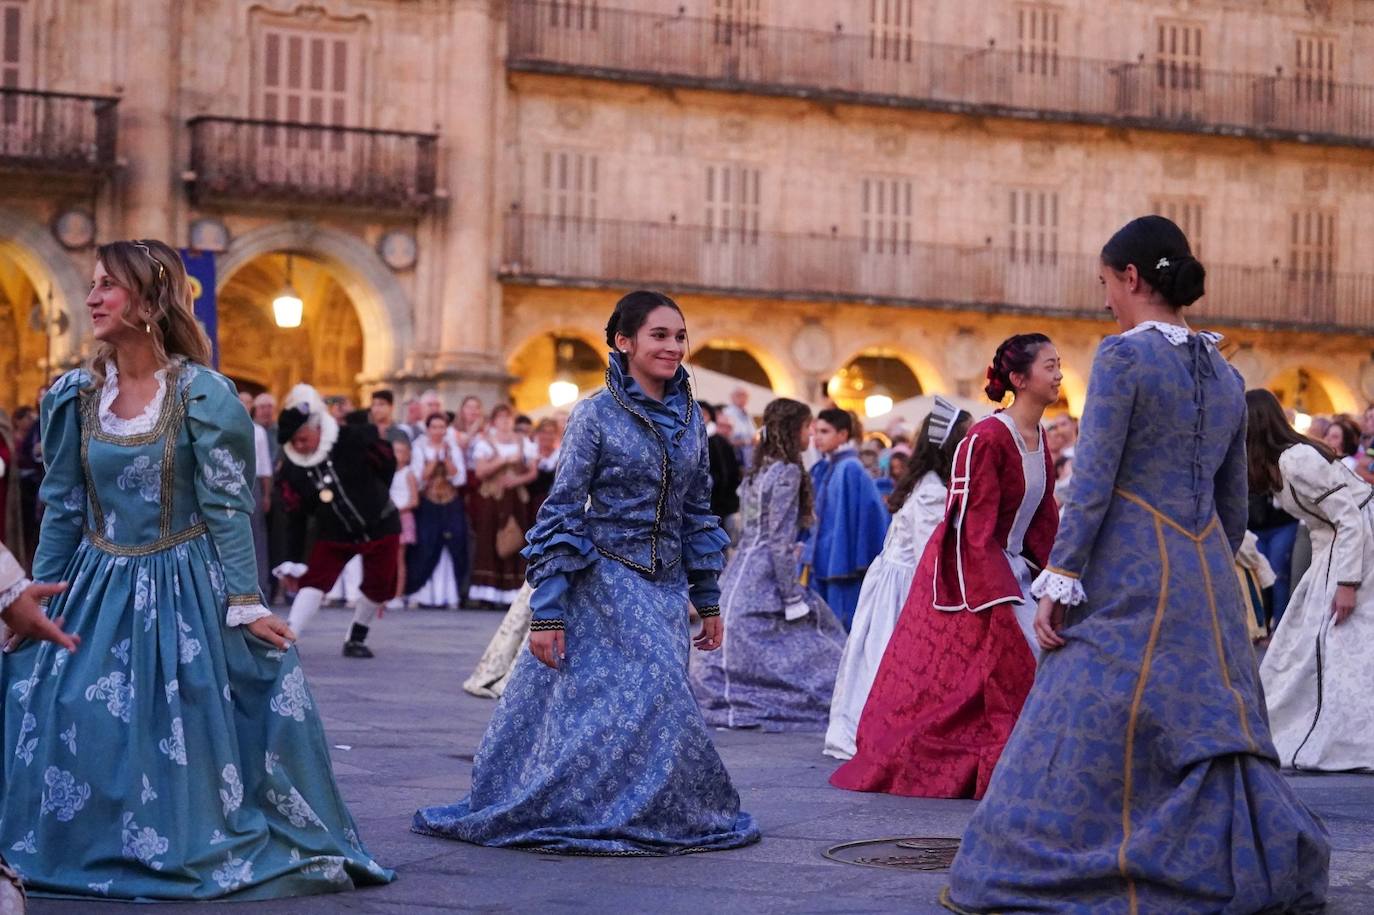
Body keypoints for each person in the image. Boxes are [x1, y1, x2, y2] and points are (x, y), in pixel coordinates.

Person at [943, 217, 1328, 913]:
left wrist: (1059, 580)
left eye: (1104, 285)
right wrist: (1206, 560)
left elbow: (1091, 485)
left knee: (1083, 716)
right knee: (1206, 717)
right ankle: (1229, 856)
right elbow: (1233, 504)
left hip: (1126, 571)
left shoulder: (1121, 360)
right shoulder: (1227, 371)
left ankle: (1099, 862)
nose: (1104, 302)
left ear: (1130, 278)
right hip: (1205, 575)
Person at [0, 239, 392, 900]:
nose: (92, 297)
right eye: (92, 284)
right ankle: (90, 837)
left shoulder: (205, 395)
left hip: (184, 582)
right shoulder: (72, 396)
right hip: (95, 581)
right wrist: (35, 594)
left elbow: (228, 505)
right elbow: (64, 508)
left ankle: (179, 834)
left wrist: (246, 600)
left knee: (183, 715)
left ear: (151, 301)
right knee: (74, 708)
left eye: (107, 286)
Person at [413, 290, 758, 854]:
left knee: (641, 706)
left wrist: (709, 597)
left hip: (666, 586)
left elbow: (698, 512)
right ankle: (598, 804)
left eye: (679, 336)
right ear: (624, 342)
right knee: (649, 695)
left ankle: (648, 804)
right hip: (603, 581)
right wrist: (546, 613)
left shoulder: (694, 419)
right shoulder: (595, 414)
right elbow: (563, 510)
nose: (673, 347)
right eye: (659, 335)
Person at [831, 334, 1060, 800]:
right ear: (1020, 379)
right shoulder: (987, 438)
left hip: (1016, 568)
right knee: (976, 681)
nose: (1059, 374)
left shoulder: (1038, 440)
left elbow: (1043, 519)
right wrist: (999, 596)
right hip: (972, 574)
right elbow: (970, 527)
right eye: (1050, 366)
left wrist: (1055, 576)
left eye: (1060, 365)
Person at [824, 398, 971, 760]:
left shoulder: (927, 481)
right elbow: (928, 552)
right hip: (905, 584)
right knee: (888, 655)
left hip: (892, 577)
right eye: (967, 436)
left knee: (876, 651)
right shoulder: (934, 491)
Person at [691, 398, 848, 731]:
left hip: (741, 570)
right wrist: (791, 595)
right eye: (807, 427)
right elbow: (777, 540)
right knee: (821, 642)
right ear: (794, 431)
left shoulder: (759, 470)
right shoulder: (788, 471)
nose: (810, 435)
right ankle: (842, 696)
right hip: (765, 571)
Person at [1248, 389, 1374, 770]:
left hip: (1355, 542)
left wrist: (1348, 583)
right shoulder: (1284, 461)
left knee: (1341, 638)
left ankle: (1344, 735)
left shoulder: (1298, 459)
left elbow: (1350, 517)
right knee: (1309, 636)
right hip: (1333, 546)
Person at [276, 383, 401, 658]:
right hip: (333, 532)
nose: (299, 446)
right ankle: (289, 635)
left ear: (317, 428)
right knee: (314, 578)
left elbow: (387, 465)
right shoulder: (292, 471)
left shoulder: (353, 439)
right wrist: (292, 559)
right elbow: (295, 516)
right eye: (293, 442)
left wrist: (374, 498)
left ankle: (356, 637)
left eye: (303, 438)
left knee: (379, 583)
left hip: (381, 524)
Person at [801, 408, 889, 630]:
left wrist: (860, 559)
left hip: (843, 563)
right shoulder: (828, 466)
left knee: (841, 627)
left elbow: (871, 514)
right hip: (825, 559)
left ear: (842, 434)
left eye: (825, 431)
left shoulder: (850, 467)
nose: (817, 437)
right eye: (816, 431)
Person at [467, 405, 539, 609]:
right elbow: (480, 472)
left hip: (516, 498)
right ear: (494, 420)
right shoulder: (485, 443)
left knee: (516, 540)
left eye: (508, 418)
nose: (504, 421)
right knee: (489, 540)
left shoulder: (523, 441)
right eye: (500, 418)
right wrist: (502, 461)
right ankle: (488, 594)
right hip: (492, 498)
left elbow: (533, 472)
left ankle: (511, 594)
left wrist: (517, 481)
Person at [406, 413, 468, 609]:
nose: (438, 431)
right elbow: (417, 477)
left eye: (442, 427)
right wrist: (431, 465)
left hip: (450, 501)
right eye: (434, 427)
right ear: (428, 428)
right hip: (428, 502)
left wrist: (448, 461)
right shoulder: (420, 446)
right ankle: (420, 593)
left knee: (454, 542)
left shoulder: (452, 447)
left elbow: (460, 479)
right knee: (426, 544)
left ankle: (450, 595)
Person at [704, 403, 743, 545]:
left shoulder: (722, 444)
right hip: (720, 505)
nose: (727, 430)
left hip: (721, 505)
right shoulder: (715, 443)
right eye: (724, 426)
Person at [389, 437, 419, 608]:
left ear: (407, 456)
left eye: (400, 451)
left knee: (399, 558)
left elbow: (414, 500)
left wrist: (398, 509)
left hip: (403, 517)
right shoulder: (387, 472)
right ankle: (386, 593)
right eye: (394, 451)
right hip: (388, 517)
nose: (396, 455)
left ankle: (398, 595)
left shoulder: (408, 473)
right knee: (387, 558)